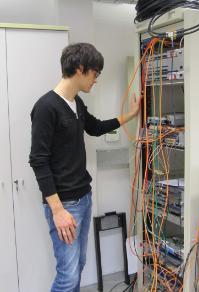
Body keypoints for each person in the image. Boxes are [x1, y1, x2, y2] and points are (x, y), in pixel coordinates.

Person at [29, 42, 140, 292]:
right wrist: (57, 210)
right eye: (95, 73)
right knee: (67, 277)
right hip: (65, 206)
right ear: (80, 68)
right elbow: (38, 160)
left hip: (83, 197)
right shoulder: (46, 107)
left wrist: (131, 115)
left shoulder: (76, 103)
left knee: (77, 266)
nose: (96, 79)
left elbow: (96, 127)